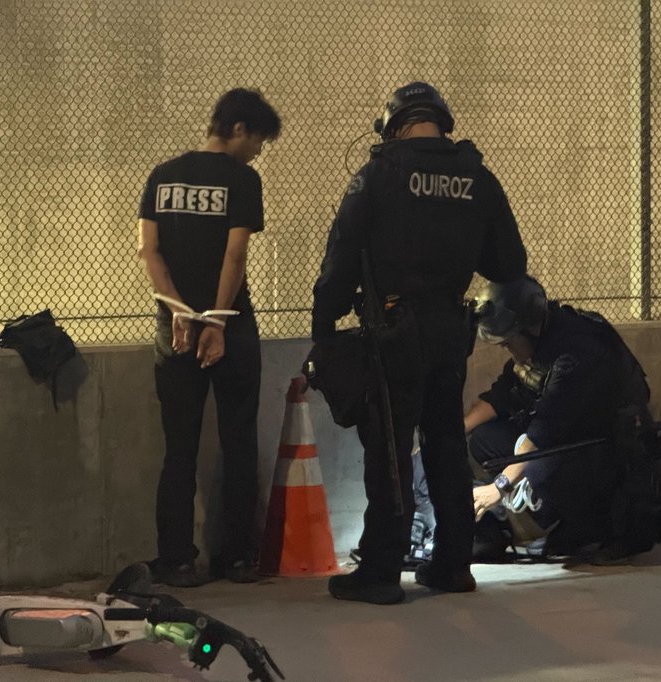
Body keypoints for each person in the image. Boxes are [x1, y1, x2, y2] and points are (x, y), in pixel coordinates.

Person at [311, 81, 527, 604]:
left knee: (389, 448)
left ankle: (382, 571)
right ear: (441, 121)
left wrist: (323, 331)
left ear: (393, 124)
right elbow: (509, 266)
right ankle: (453, 564)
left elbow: (339, 262)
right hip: (452, 331)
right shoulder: (478, 178)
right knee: (446, 445)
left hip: (392, 331)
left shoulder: (378, 175)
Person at [137, 88, 281, 587]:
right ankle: (236, 557)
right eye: (259, 139)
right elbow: (234, 256)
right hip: (232, 327)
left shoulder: (161, 175)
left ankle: (176, 558)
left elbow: (149, 253)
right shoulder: (243, 179)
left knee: (179, 444)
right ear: (239, 128)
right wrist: (217, 322)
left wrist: (180, 312)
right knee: (238, 439)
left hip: (173, 328)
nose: (259, 151)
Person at [465, 274, 661, 563]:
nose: (508, 350)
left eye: (509, 343)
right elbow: (504, 395)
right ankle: (574, 523)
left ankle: (597, 525)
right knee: (485, 440)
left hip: (610, 453)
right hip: (573, 443)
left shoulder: (576, 352)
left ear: (528, 329)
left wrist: (498, 487)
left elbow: (544, 431)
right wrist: (453, 431)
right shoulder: (543, 340)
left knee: (537, 469)